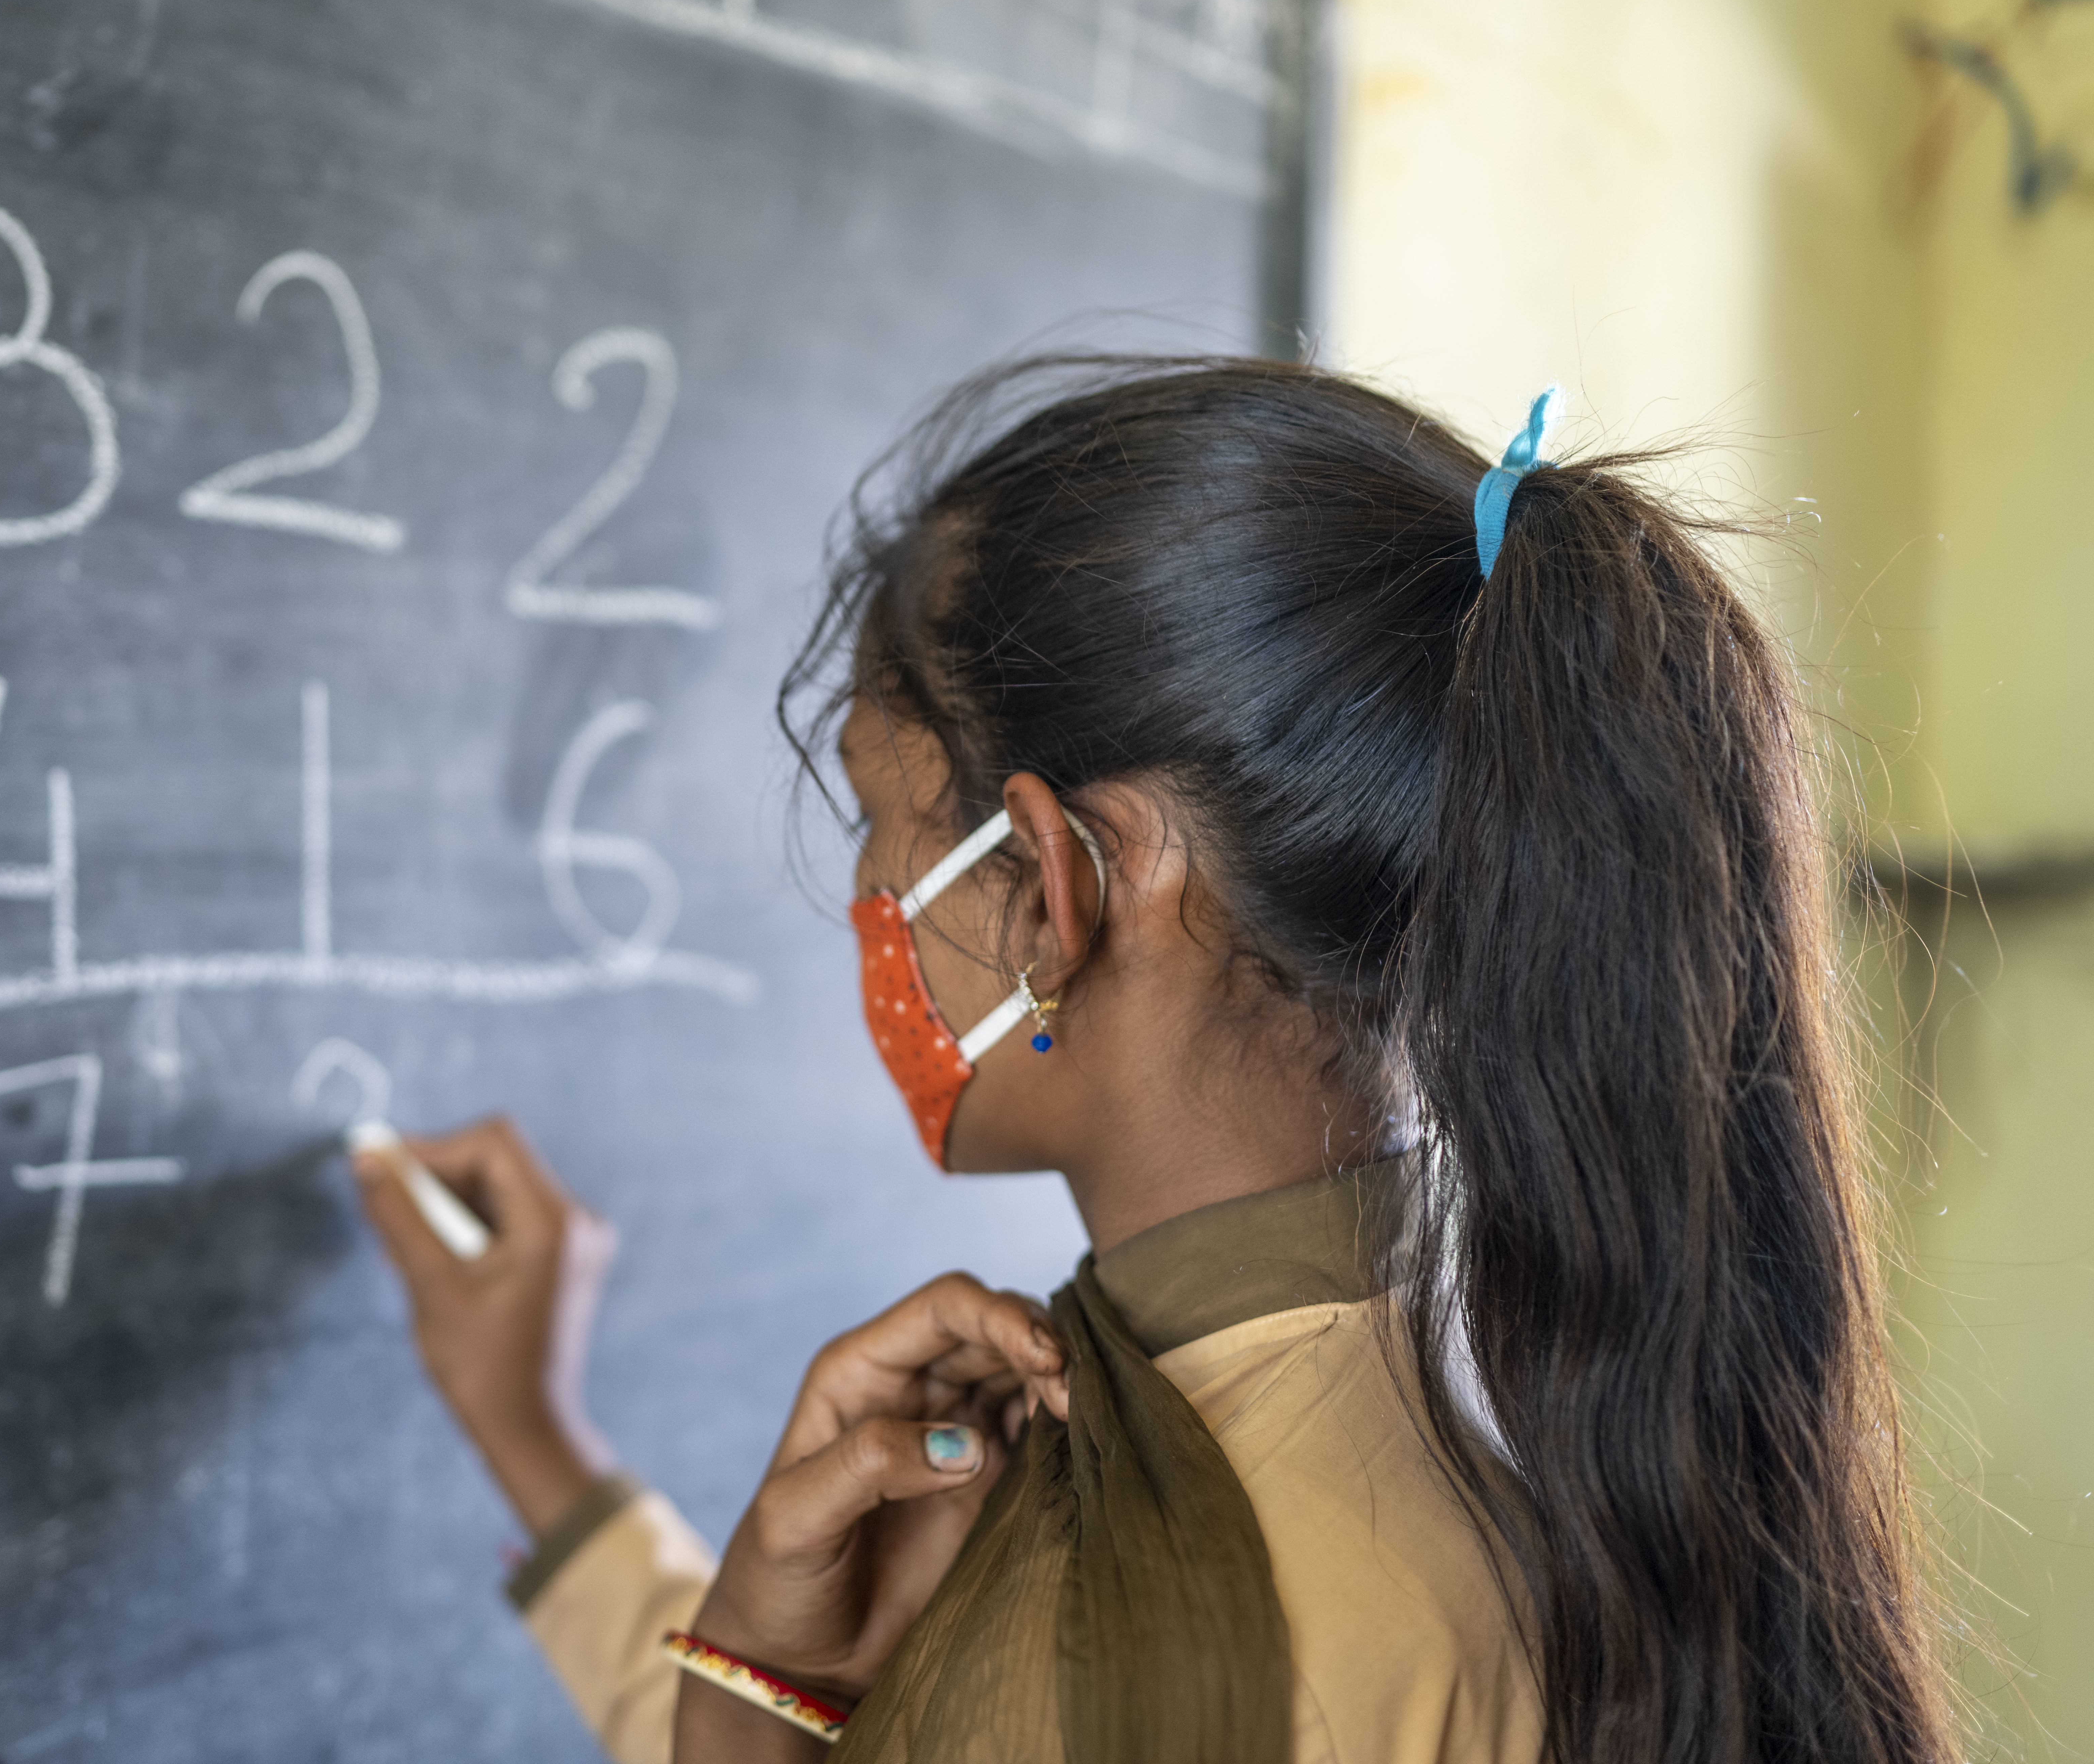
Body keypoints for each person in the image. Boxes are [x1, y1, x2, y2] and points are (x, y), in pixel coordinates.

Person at [354, 357, 1958, 1764]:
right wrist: (544, 1446)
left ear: (1057, 887)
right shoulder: (1508, 1413)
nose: (861, 901)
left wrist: (740, 1711)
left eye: (878, 823)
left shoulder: (1186, 1620)